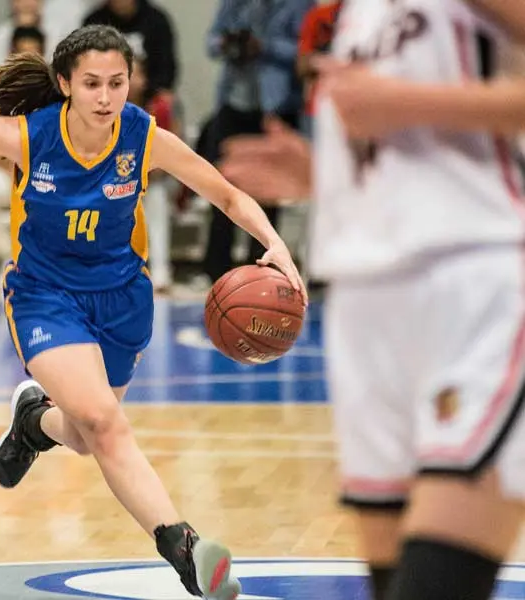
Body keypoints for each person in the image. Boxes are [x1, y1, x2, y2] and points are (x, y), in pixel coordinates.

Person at [0, 24, 306, 599]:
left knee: (89, 436)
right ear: (65, 83)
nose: (106, 96)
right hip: (44, 295)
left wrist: (276, 244)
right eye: (91, 83)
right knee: (106, 425)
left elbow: (229, 195)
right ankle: (185, 548)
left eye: (117, 82)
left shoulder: (143, 137)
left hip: (121, 299)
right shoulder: (31, 136)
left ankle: (33, 422)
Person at [218, 1, 525, 599]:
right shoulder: (355, 11)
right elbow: (406, 149)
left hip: (473, 281)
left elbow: (403, 109)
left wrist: (406, 105)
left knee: (436, 584)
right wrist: (321, 175)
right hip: (365, 299)